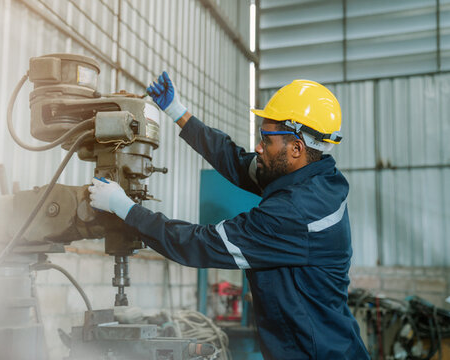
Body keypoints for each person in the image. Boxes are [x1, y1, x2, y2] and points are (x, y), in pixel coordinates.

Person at [88, 72, 370, 359]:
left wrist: (125, 209)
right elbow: (235, 160)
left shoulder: (294, 214)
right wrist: (177, 112)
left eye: (266, 140)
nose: (259, 148)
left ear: (297, 148)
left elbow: (199, 244)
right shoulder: (311, 176)